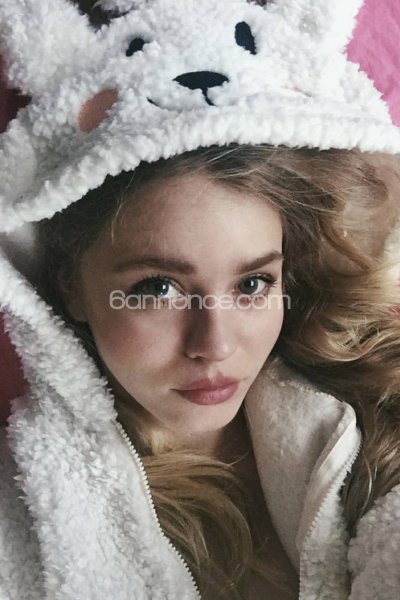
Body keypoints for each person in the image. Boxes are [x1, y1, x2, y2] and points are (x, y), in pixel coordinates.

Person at [0, 0, 400, 599]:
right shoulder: (21, 519)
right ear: (70, 285)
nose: (214, 345)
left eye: (252, 284)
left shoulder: (379, 420)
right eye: (158, 288)